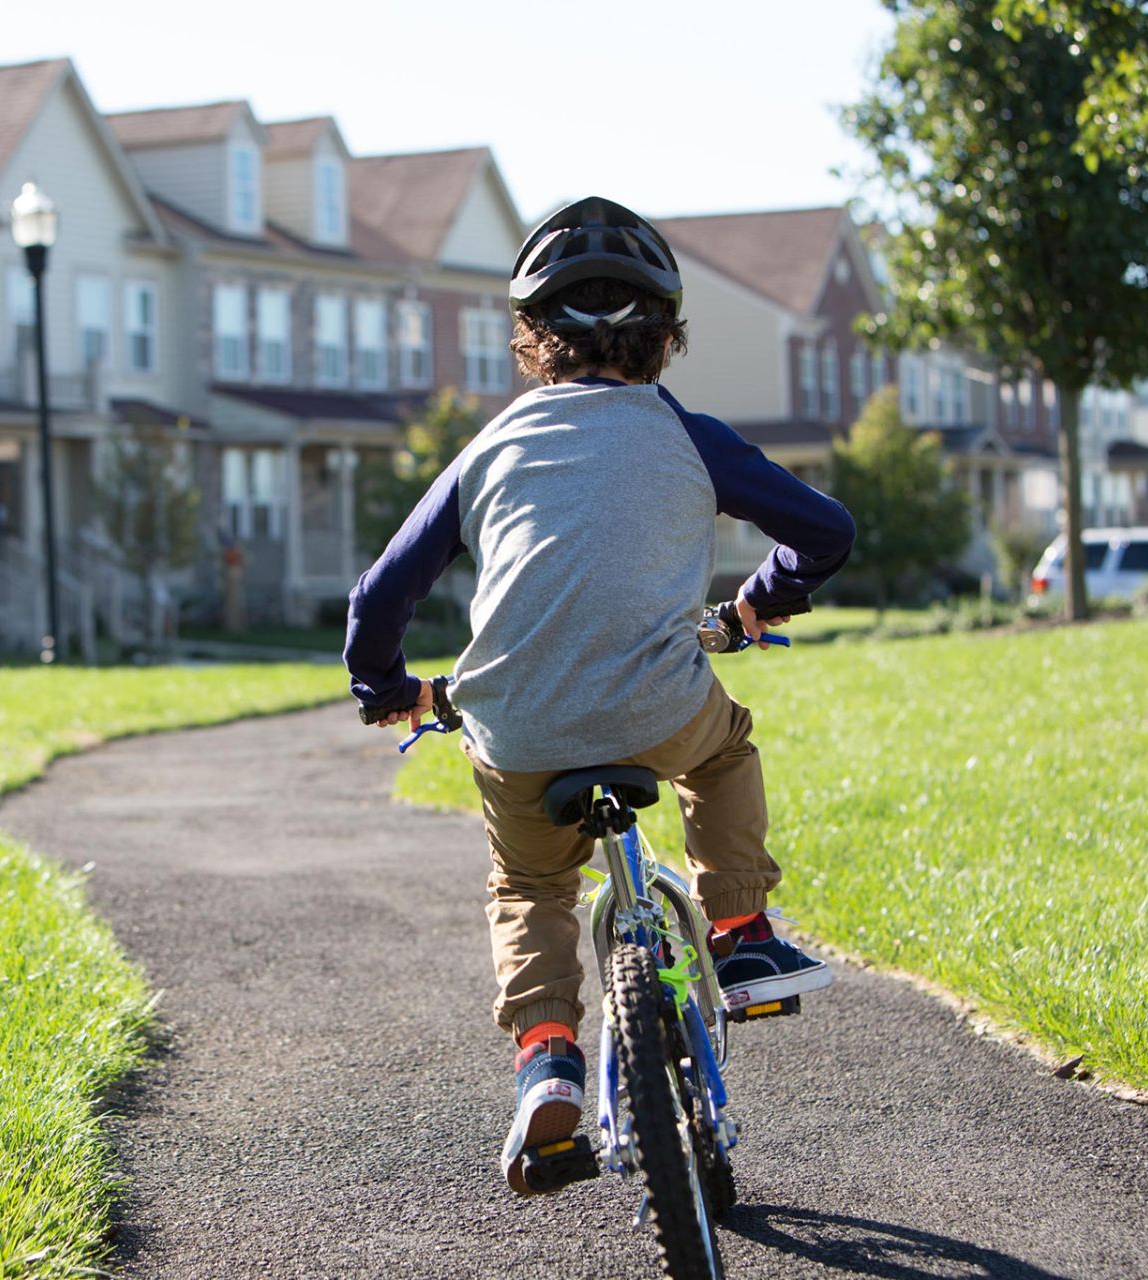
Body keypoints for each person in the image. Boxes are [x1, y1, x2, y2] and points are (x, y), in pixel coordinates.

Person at [342, 196, 856, 1195]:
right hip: (661, 711)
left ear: (533, 340)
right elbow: (824, 529)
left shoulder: (486, 450)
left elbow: (377, 596)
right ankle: (744, 937)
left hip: (515, 727)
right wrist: (756, 605)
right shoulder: (686, 433)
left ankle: (545, 1061)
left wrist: (387, 690)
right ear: (668, 335)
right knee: (723, 749)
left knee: (531, 886)